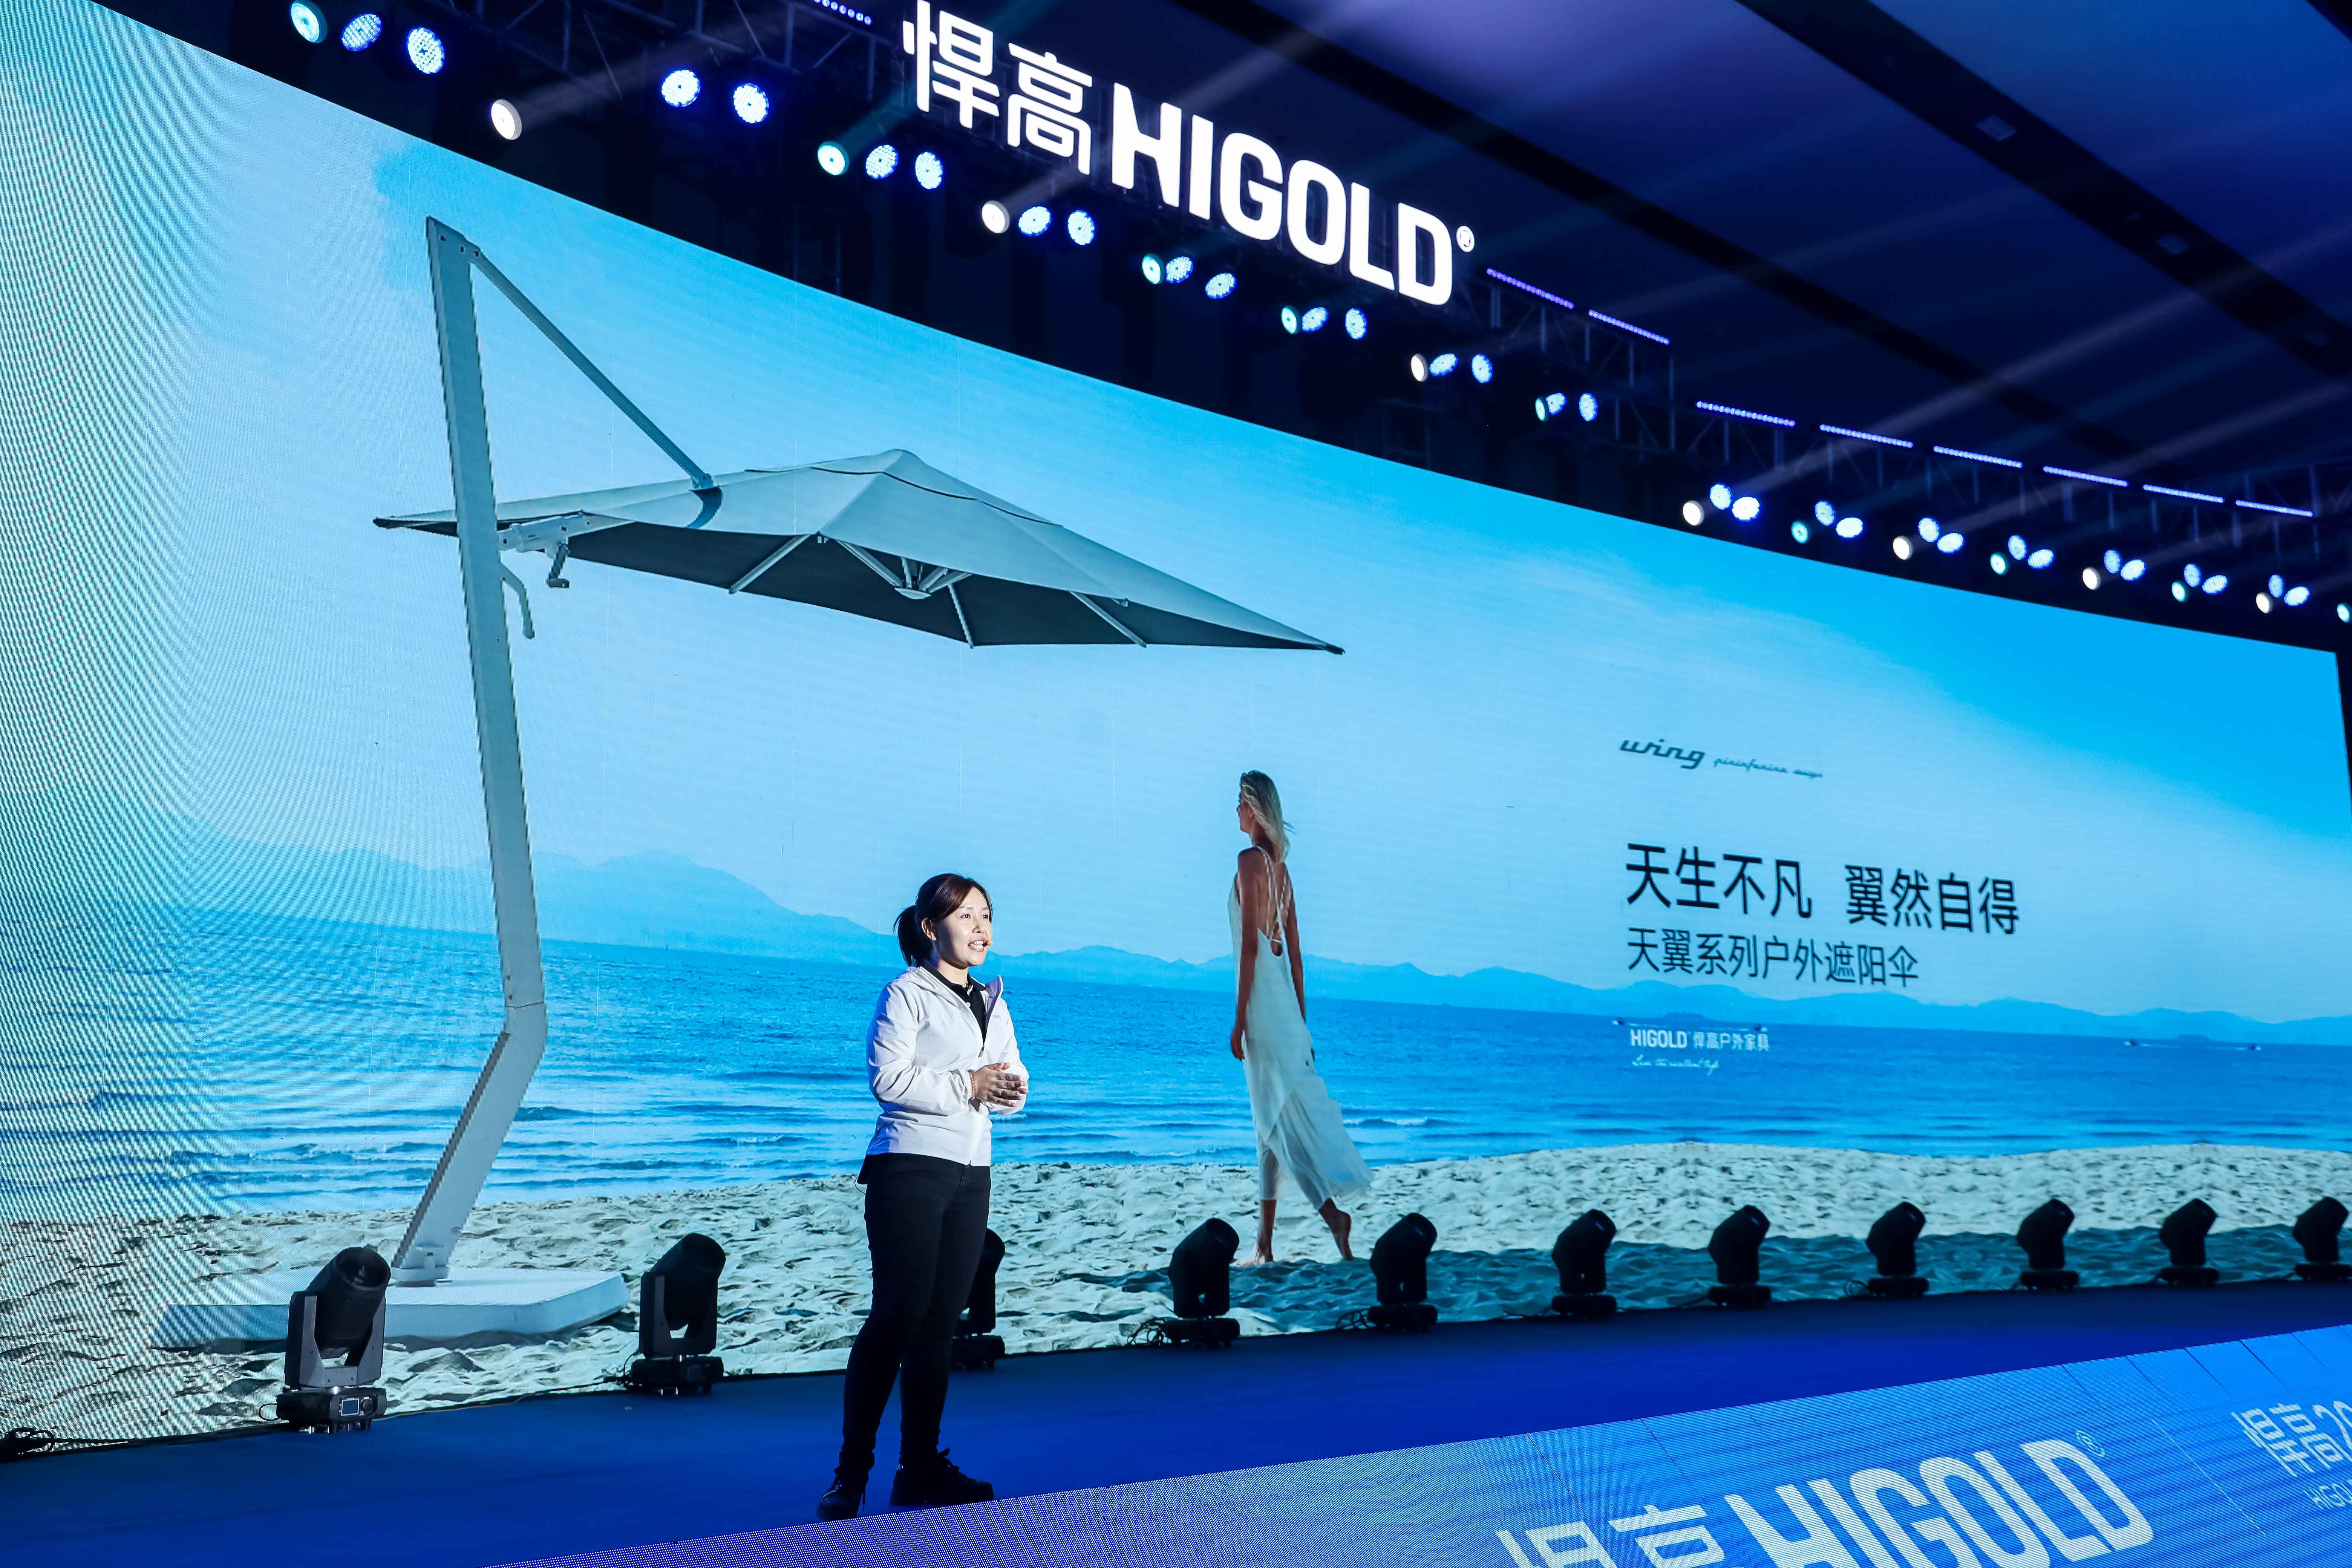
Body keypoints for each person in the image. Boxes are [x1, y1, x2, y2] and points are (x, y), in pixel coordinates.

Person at [818, 873, 1027, 1522]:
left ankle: (920, 1469)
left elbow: (1010, 1076)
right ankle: (850, 1476)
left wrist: (1010, 1090)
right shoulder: (906, 992)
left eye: (986, 915)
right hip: (909, 1167)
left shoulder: (994, 1000)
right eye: (967, 916)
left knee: (940, 1324)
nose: (981, 928)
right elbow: (888, 1079)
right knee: (897, 1315)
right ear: (932, 927)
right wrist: (969, 1084)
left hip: (972, 1173)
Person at [1229, 771, 1371, 1266]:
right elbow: (1296, 960)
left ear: (1254, 807)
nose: (1236, 812)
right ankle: (1264, 1245)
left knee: (1273, 1126)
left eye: (1239, 802)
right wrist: (1302, 1025)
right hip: (1286, 1012)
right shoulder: (1284, 874)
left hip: (1263, 1010)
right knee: (1268, 1123)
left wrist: (1239, 1019)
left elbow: (1251, 948)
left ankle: (1333, 1217)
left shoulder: (1250, 862)